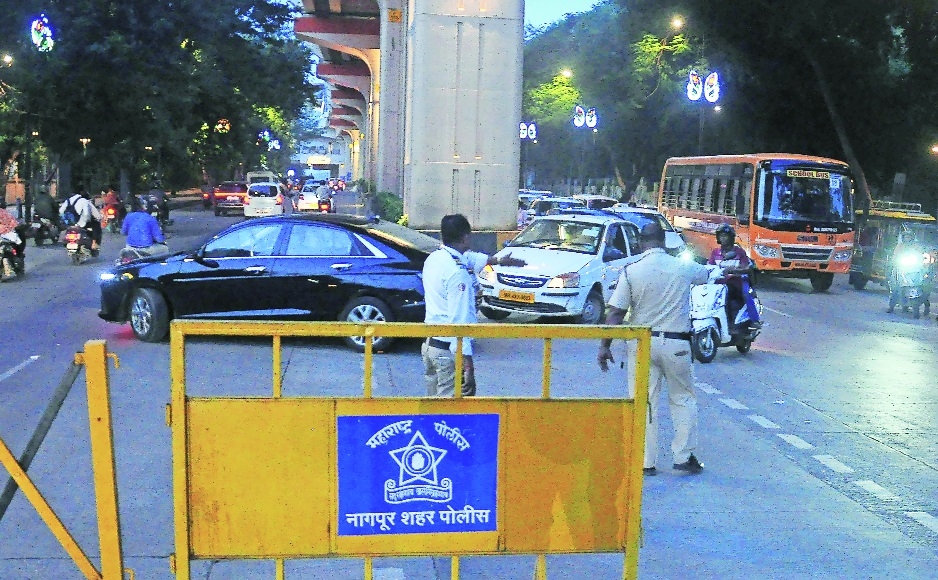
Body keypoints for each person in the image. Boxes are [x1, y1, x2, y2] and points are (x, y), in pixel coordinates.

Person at [597, 222, 710, 476]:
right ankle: (683, 457)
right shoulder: (682, 267)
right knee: (682, 399)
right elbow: (708, 274)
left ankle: (645, 462)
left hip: (641, 344)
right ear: (664, 241)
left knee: (644, 401)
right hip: (677, 344)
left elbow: (616, 312)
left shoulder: (632, 271)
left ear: (640, 242)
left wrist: (604, 346)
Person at [422, 214, 524, 397]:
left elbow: (469, 258)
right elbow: (459, 324)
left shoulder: (435, 258)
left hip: (431, 347)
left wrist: (499, 261)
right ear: (465, 237)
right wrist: (468, 367)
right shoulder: (457, 274)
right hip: (449, 351)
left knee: (432, 411)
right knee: (449, 414)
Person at [708, 224, 759, 327]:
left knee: (746, 295)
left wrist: (733, 270)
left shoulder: (739, 252)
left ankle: (753, 320)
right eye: (721, 236)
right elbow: (709, 267)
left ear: (731, 237)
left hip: (736, 283)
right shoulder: (715, 252)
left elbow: (747, 268)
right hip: (718, 284)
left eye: (725, 236)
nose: (723, 238)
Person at [60, 189, 102, 253]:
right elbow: (87, 214)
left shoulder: (68, 201)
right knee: (96, 226)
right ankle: (94, 244)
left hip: (70, 224)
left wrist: (66, 221)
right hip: (82, 224)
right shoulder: (85, 201)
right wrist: (84, 222)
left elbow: (61, 211)